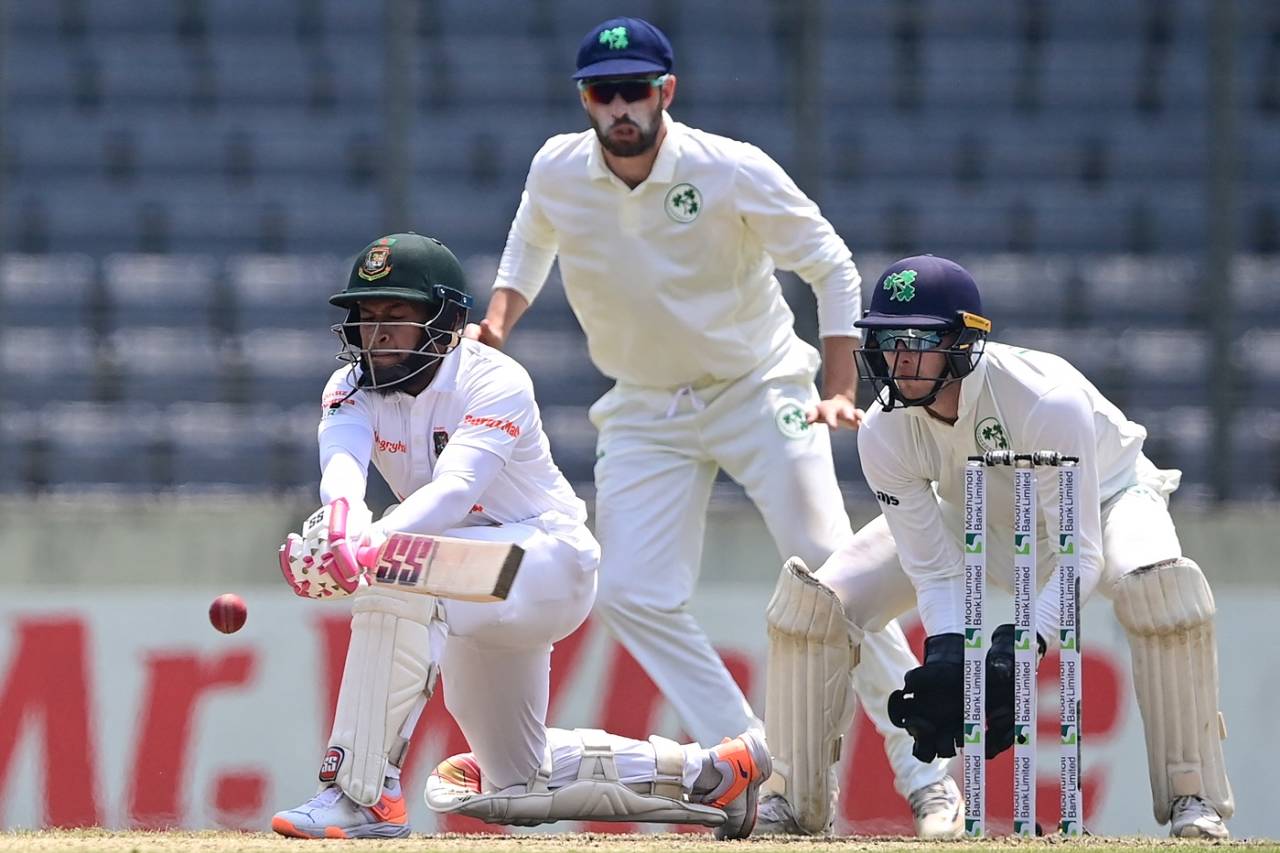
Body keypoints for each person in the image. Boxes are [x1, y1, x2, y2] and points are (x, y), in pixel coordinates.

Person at [467, 15, 960, 838]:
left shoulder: (728, 169)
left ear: (667, 91)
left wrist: (840, 386)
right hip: (645, 403)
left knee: (833, 578)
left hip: (759, 386)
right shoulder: (558, 167)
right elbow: (529, 242)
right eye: (602, 92)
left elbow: (831, 263)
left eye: (634, 90)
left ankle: (930, 778)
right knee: (629, 591)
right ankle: (761, 768)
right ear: (584, 99)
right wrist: (497, 321)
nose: (619, 108)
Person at [270, 232, 771, 840]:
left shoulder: (494, 380)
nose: (376, 337)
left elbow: (456, 488)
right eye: (367, 319)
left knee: (394, 573)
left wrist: (369, 544)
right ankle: (717, 773)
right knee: (516, 776)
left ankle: (360, 795)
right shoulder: (348, 386)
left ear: (447, 321)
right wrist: (342, 527)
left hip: (545, 563)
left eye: (396, 318)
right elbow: (342, 471)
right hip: (463, 581)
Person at [767, 254, 1233, 839]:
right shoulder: (886, 429)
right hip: (971, 510)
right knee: (816, 608)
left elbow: (1079, 556)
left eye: (918, 340)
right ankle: (789, 803)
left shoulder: (1045, 398)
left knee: (1162, 591)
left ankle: (1195, 800)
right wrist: (944, 653)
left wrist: (1023, 645)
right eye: (887, 340)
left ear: (963, 343)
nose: (899, 360)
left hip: (1106, 502)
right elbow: (934, 571)